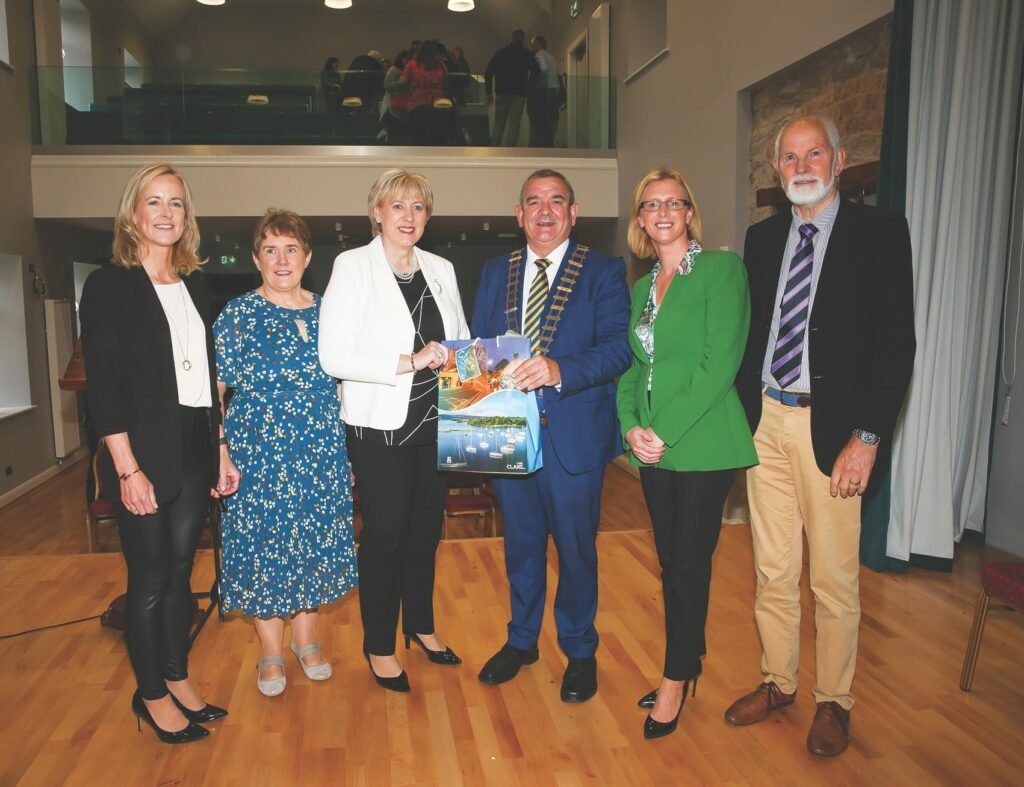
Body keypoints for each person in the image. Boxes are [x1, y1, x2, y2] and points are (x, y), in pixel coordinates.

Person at [727, 116, 915, 756]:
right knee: (772, 570)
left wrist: (867, 437)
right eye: (789, 157)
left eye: (813, 154)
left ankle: (835, 701)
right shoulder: (761, 239)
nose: (801, 165)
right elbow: (749, 336)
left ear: (838, 160)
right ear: (777, 172)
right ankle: (779, 682)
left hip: (833, 430)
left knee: (834, 580)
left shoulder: (880, 233)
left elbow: (897, 347)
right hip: (765, 424)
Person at [80, 163, 240, 744]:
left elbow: (209, 374)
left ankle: (177, 678)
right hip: (142, 448)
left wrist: (220, 446)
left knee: (180, 574)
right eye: (155, 201)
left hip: (196, 440)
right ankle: (150, 696)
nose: (167, 213)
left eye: (176, 203)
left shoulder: (196, 284)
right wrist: (126, 467)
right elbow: (105, 386)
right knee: (148, 581)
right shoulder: (109, 285)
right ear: (134, 213)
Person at [472, 169, 631, 703]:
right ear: (519, 215)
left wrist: (558, 368)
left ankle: (580, 650)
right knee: (520, 548)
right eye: (534, 202)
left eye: (556, 201)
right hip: (509, 436)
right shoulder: (496, 271)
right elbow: (480, 350)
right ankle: (522, 641)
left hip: (574, 438)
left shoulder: (604, 272)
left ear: (574, 211)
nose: (545, 210)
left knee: (576, 551)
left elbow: (617, 349)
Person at [617, 168, 757, 739]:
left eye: (674, 202)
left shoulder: (722, 270)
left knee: (689, 566)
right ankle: (688, 661)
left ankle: (675, 681)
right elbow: (636, 368)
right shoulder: (642, 287)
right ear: (641, 221)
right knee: (672, 564)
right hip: (653, 450)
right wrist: (630, 427)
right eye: (652, 204)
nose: (663, 212)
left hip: (702, 444)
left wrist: (661, 429)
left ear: (690, 211)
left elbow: (719, 364)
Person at [319, 169, 470, 693]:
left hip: (438, 421)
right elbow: (333, 354)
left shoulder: (443, 268)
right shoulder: (352, 265)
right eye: (398, 206)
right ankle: (380, 645)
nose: (408, 217)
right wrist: (408, 361)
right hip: (380, 426)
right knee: (386, 535)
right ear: (377, 212)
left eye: (418, 208)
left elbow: (461, 342)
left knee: (426, 533)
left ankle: (422, 627)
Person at [214, 209, 358, 698]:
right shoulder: (237, 315)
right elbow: (214, 392)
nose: (281, 260)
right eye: (270, 250)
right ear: (256, 258)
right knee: (263, 550)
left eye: (290, 249)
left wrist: (349, 456)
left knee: (313, 544)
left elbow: (345, 385)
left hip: (318, 453)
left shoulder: (329, 310)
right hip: (258, 458)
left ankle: (307, 642)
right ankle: (271, 652)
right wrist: (220, 451)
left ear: (307, 256)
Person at [484, 29, 536, 146]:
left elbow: (488, 72)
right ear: (523, 39)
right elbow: (536, 71)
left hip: (502, 92)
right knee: (514, 125)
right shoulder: (527, 54)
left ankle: (494, 150)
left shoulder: (501, 53)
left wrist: (489, 92)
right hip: (519, 93)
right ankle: (510, 153)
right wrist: (529, 86)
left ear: (511, 38)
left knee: (499, 124)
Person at [400, 40, 450, 146]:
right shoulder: (440, 65)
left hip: (417, 105)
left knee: (419, 138)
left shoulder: (413, 64)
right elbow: (446, 81)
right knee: (436, 138)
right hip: (437, 104)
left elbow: (402, 81)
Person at [527, 36, 560, 147]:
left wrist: (536, 82)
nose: (532, 47)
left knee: (539, 121)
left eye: (533, 44)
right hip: (554, 91)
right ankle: (549, 145)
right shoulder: (552, 58)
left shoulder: (539, 55)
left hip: (544, 92)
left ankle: (538, 147)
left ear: (538, 44)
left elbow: (543, 68)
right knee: (551, 120)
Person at [381, 50, 412, 145]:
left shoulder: (406, 71)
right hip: (393, 108)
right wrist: (400, 83)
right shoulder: (394, 70)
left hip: (401, 108)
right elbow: (386, 85)